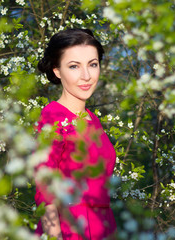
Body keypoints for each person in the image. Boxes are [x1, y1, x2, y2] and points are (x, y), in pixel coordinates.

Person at [35, 28, 117, 240]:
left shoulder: (92, 119)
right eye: (74, 66)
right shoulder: (52, 117)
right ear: (57, 70)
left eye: (92, 64)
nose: (86, 76)